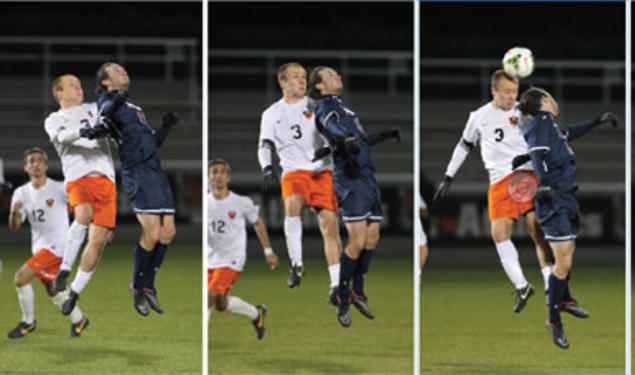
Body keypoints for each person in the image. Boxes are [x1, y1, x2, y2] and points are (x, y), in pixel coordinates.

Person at [433, 69, 574, 313]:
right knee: (499, 234)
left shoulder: (525, 111)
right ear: (494, 91)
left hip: (526, 174)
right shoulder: (479, 117)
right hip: (498, 182)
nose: (512, 97)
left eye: (515, 92)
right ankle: (522, 286)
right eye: (507, 92)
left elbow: (551, 123)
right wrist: (448, 176)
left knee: (536, 227)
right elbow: (464, 145)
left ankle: (550, 284)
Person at [515, 87, 617, 349]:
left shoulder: (551, 126)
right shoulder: (541, 122)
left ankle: (565, 298)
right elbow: (538, 153)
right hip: (555, 199)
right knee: (563, 261)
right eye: (550, 95)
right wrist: (545, 184)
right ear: (545, 101)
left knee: (568, 252)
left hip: (566, 197)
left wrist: (596, 122)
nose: (555, 99)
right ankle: (554, 320)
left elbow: (569, 133)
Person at [308, 66, 400, 327]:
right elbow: (331, 127)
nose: (338, 76)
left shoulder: (345, 110)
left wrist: (385, 135)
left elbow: (360, 139)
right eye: (331, 75)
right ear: (320, 87)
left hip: (367, 176)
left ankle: (358, 290)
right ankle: (342, 295)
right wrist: (343, 137)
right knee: (357, 240)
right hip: (349, 178)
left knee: (373, 235)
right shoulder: (326, 107)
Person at [94, 62, 178, 316]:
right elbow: (104, 116)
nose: (124, 72)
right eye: (117, 71)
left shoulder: (133, 105)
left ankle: (149, 286)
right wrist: (116, 99)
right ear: (106, 81)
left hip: (155, 171)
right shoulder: (107, 100)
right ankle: (137, 285)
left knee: (168, 232)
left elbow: (153, 140)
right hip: (137, 172)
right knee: (151, 233)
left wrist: (166, 126)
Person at [257, 62, 342, 294]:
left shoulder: (318, 106)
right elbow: (265, 145)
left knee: (329, 224)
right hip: (294, 171)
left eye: (304, 77)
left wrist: (333, 146)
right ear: (282, 82)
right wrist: (266, 168)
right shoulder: (271, 114)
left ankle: (336, 283)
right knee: (292, 204)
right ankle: (296, 264)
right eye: (296, 77)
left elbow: (336, 132)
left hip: (322, 170)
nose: (302, 81)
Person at [45, 74, 116, 317]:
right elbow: (62, 136)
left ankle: (74, 292)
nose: (79, 88)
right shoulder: (54, 119)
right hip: (79, 176)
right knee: (84, 213)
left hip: (106, 179)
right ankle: (64, 269)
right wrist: (85, 131)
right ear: (59, 94)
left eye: (79, 84)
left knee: (97, 241)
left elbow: (113, 125)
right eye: (72, 85)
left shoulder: (95, 109)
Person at [8, 148, 89, 338]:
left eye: (39, 160)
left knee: (20, 278)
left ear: (46, 165)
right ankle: (79, 319)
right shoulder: (21, 193)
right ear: (25, 167)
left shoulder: (59, 188)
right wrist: (14, 213)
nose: (36, 164)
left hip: (59, 247)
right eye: (31, 161)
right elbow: (14, 226)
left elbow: (81, 206)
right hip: (40, 248)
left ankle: (28, 321)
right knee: (53, 289)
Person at [208, 159, 279, 339]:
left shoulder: (241, 202)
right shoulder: (205, 203)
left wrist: (268, 251)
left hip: (232, 258)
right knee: (220, 304)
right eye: (214, 172)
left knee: (209, 296)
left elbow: (257, 223)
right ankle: (256, 313)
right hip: (211, 258)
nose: (218, 176)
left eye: (222, 172)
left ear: (228, 178)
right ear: (208, 177)